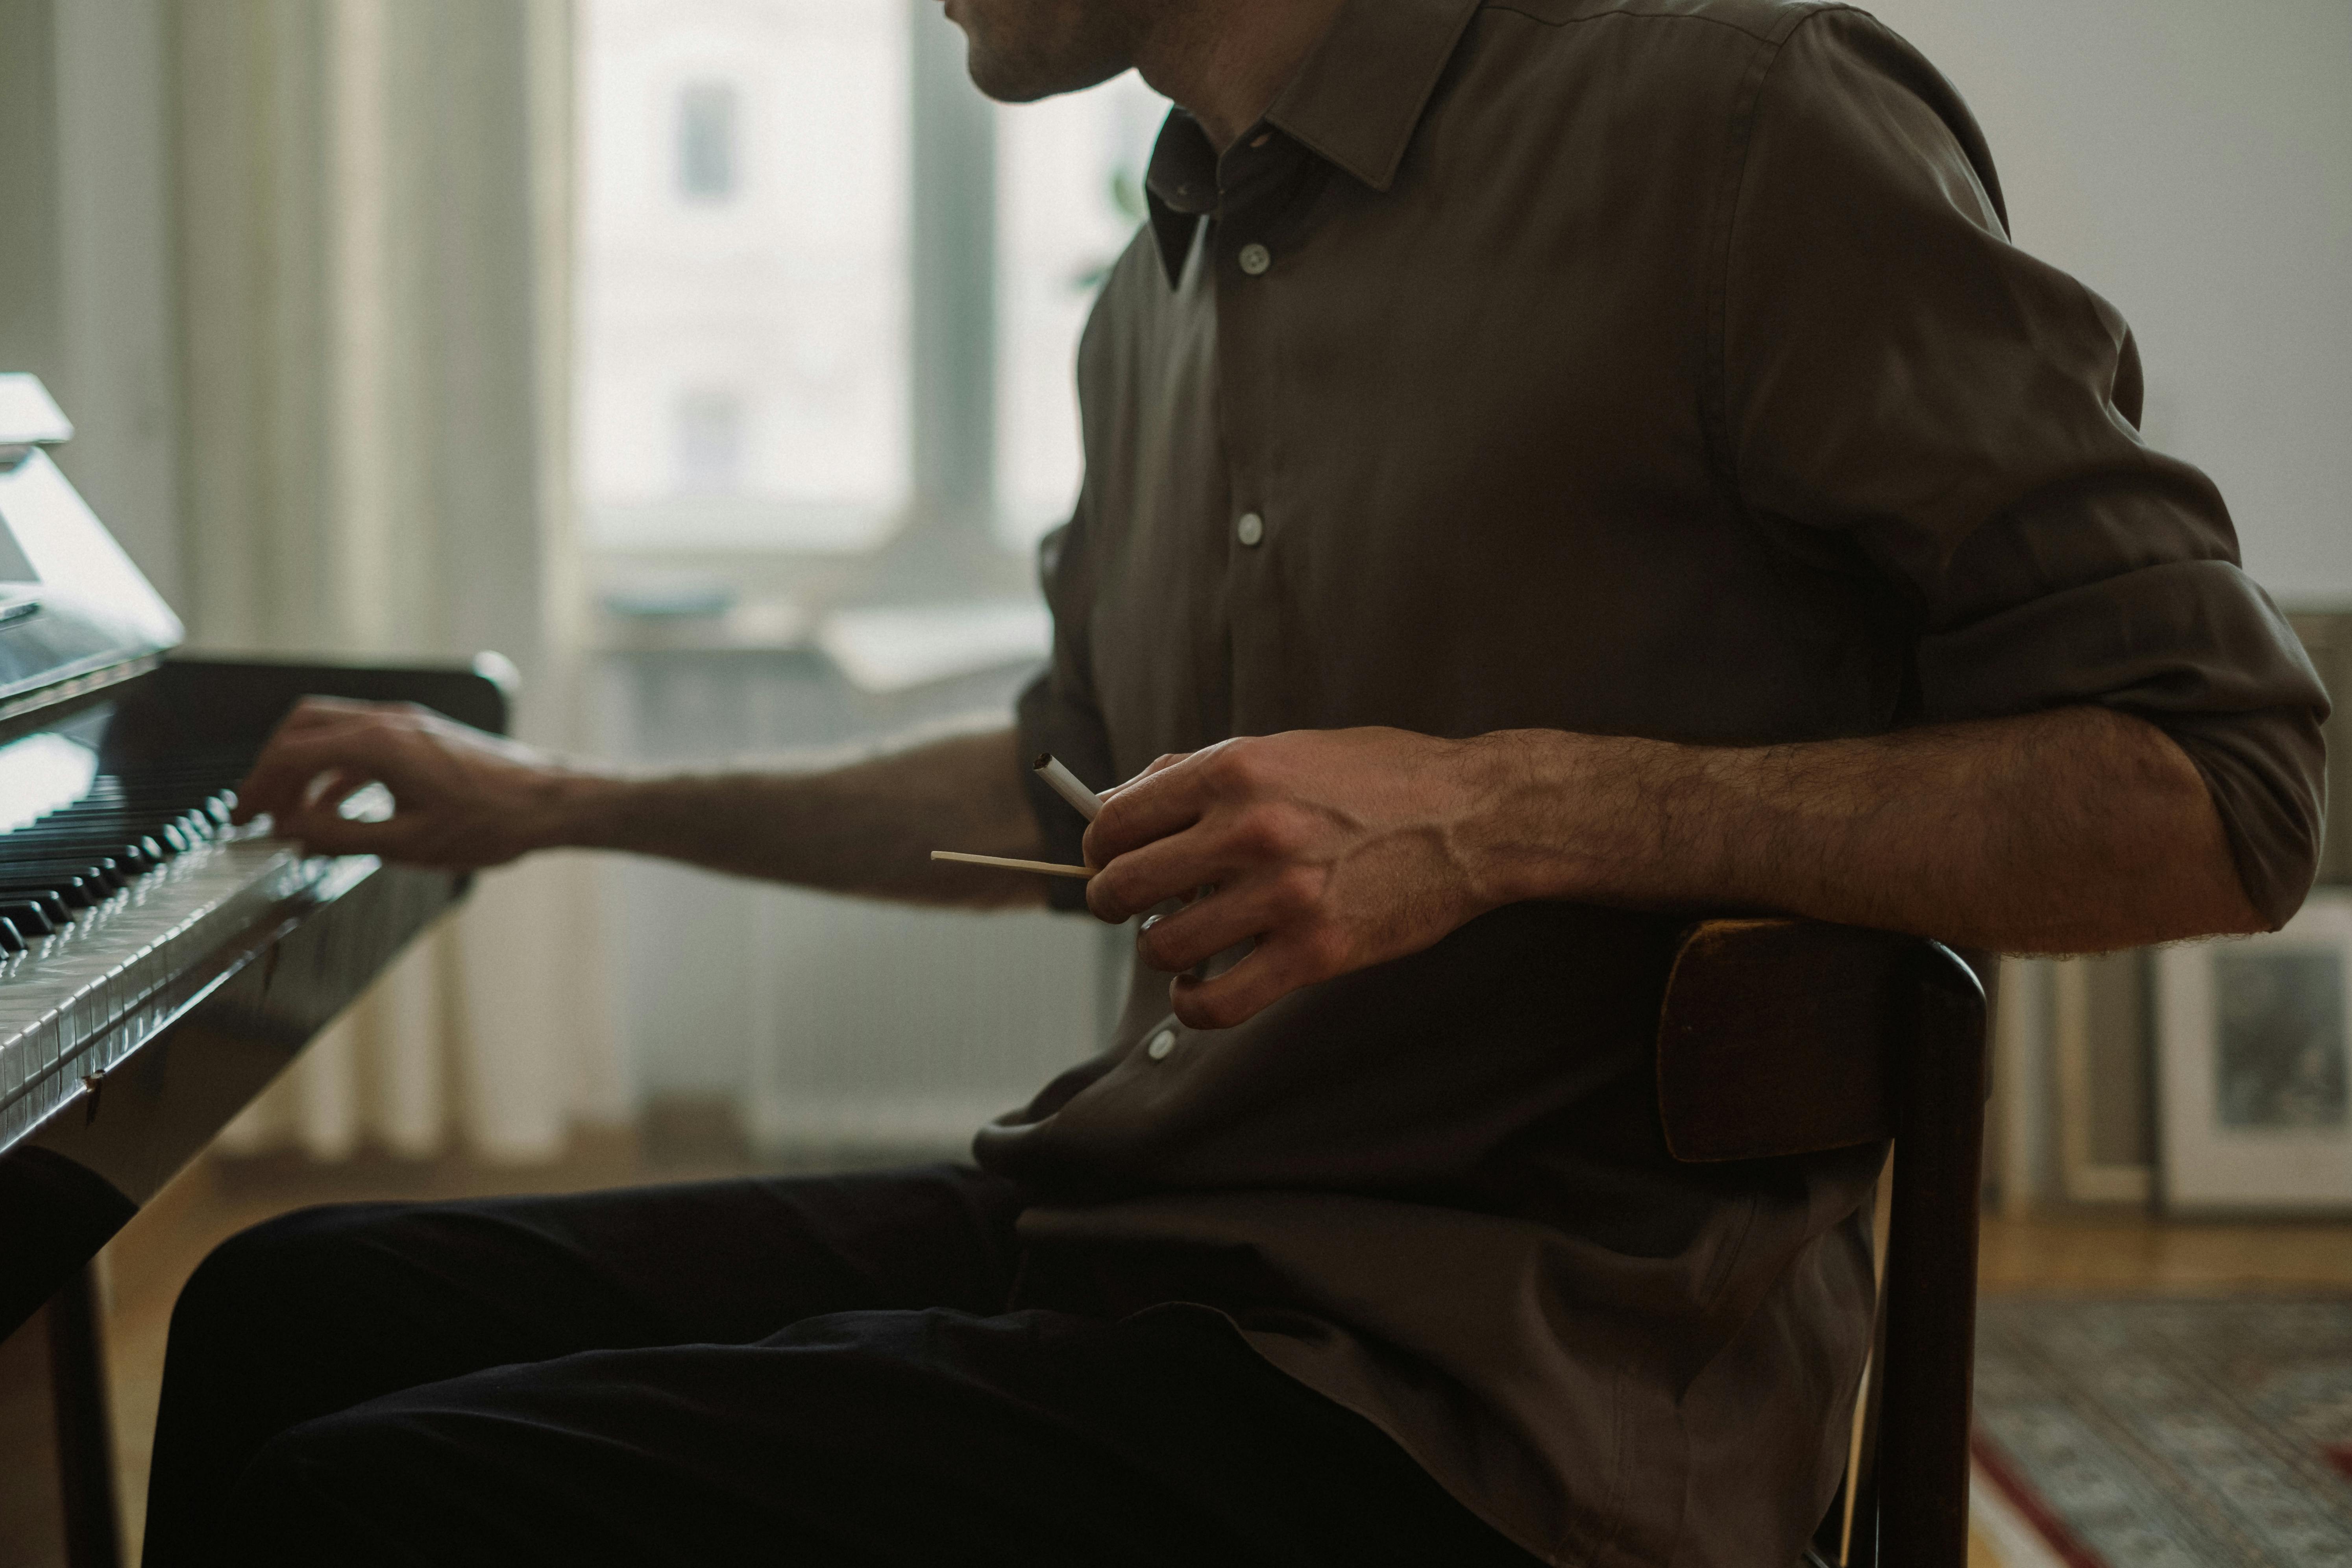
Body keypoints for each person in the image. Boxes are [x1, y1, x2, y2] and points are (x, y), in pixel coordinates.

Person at [144, 0, 2328, 1563]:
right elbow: (1057, 788)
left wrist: (1503, 815)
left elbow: (2223, 782)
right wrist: (559, 804)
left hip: (1494, 1399)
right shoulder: (1151, 282)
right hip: (1144, 1238)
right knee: (292, 1306)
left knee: (377, 1502)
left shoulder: (1736, 113)